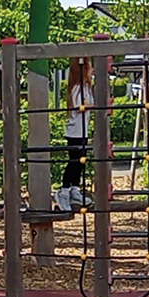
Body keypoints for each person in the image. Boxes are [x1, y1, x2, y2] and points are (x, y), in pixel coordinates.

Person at [56, 57, 93, 212]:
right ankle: (64, 191)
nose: (92, 71)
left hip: (82, 130)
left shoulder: (86, 87)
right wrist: (97, 106)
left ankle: (75, 189)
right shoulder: (78, 88)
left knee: (80, 162)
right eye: (90, 68)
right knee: (74, 162)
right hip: (75, 131)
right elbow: (79, 107)